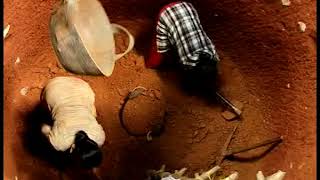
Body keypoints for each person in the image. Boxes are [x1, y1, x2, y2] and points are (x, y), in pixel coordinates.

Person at [146, 1, 220, 99]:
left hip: (187, 7)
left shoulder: (212, 52)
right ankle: (152, 64)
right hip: (167, 14)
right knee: (160, 51)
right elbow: (186, 75)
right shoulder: (188, 61)